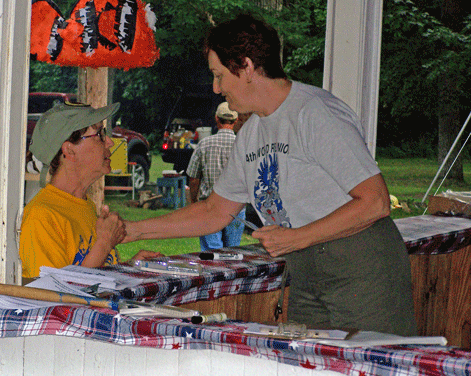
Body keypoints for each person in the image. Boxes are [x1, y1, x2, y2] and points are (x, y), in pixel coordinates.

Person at [125, 14, 417, 336]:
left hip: (362, 267)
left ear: (247, 67)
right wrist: (133, 230)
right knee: (309, 373)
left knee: (370, 374)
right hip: (306, 271)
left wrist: (296, 237)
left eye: (219, 75)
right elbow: (214, 211)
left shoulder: (314, 113)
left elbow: (375, 202)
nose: (216, 87)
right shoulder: (251, 134)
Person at [20, 101, 160, 280]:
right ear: (69, 150)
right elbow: (55, 298)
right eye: (100, 135)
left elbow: (94, 275)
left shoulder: (83, 205)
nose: (109, 142)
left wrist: (129, 268)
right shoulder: (42, 216)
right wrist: (104, 243)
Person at [186, 102, 245, 251]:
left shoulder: (204, 144)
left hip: (210, 206)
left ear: (216, 119)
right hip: (237, 207)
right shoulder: (244, 145)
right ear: (236, 120)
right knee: (232, 253)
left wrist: (193, 201)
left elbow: (193, 179)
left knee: (212, 256)